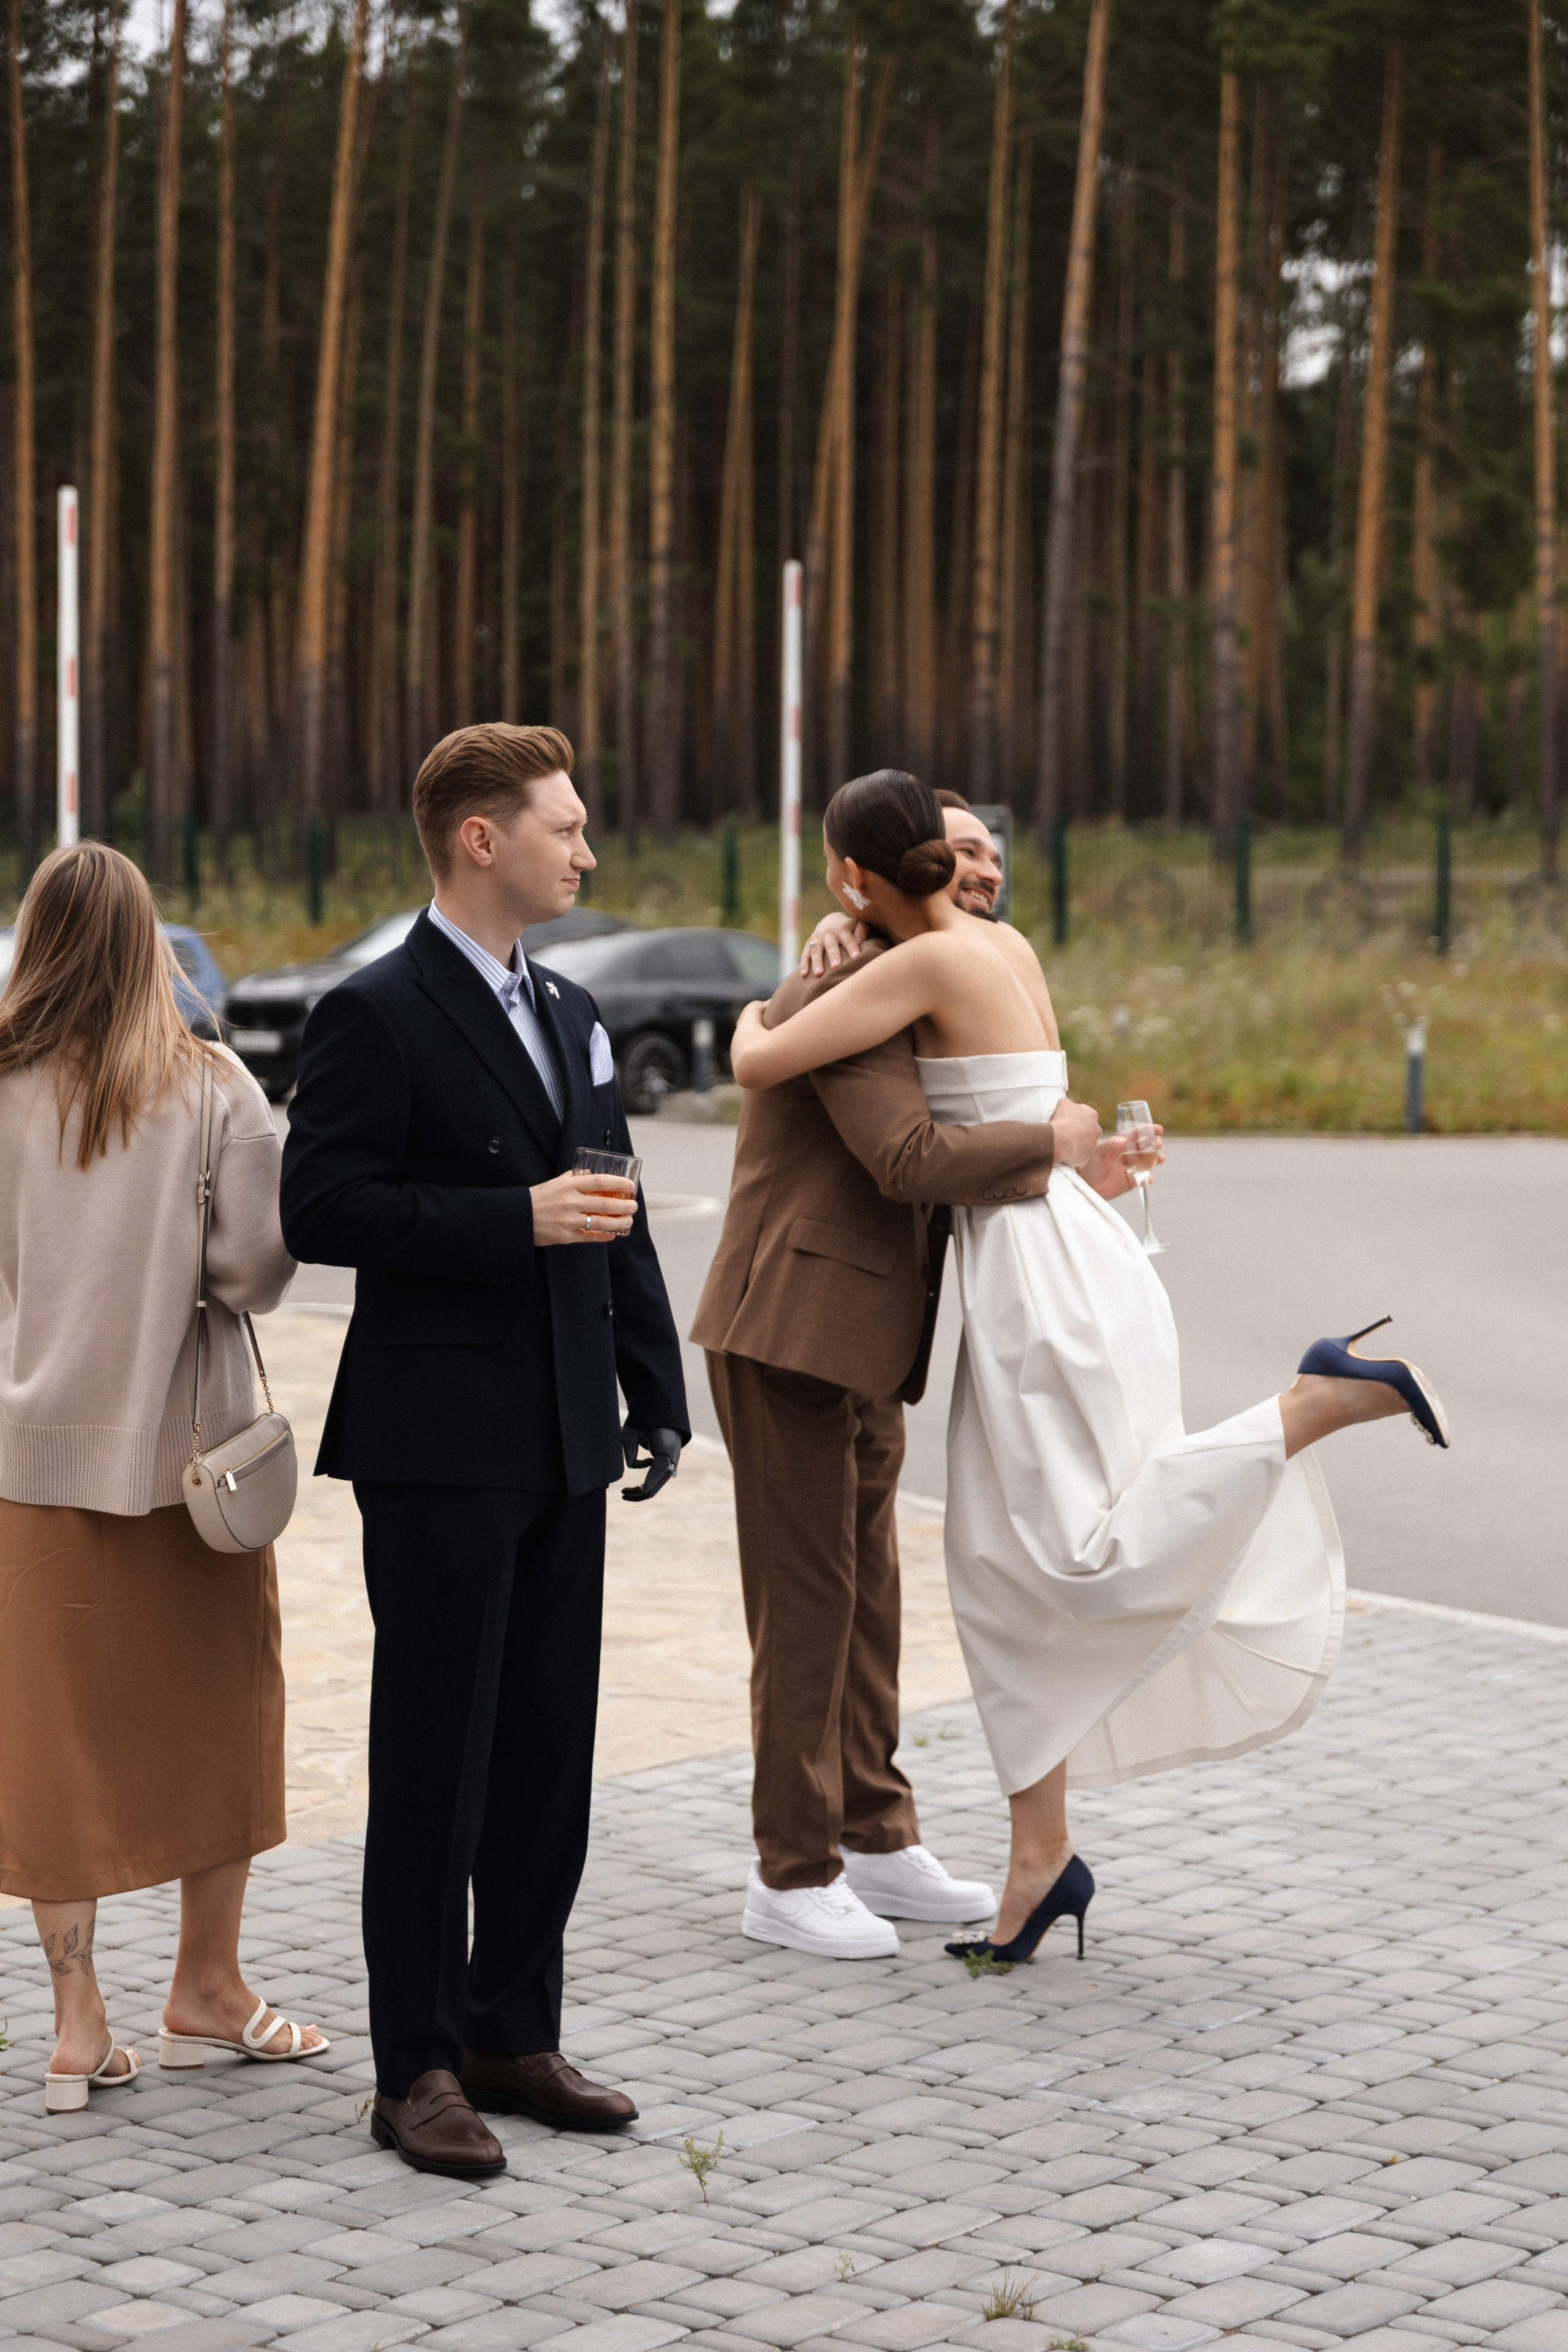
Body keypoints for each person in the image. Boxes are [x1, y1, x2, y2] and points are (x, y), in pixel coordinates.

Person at [730, 772, 1448, 1968]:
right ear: (931, 859)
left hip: (1034, 1285)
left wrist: (781, 995)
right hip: (1077, 1256)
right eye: (961, 849)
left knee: (1064, 1550)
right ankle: (1035, 1856)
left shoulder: (906, 966)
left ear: (852, 874)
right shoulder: (999, 949)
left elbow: (765, 1067)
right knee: (1003, 1565)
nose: (979, 868)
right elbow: (1021, 1113)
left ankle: (1309, 1402)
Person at [281, 723, 688, 2180]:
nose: (584, 851)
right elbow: (321, 1211)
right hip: (437, 1440)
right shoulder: (373, 1014)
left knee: (544, 1757)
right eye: (564, 828)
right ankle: (418, 2069)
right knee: (436, 1760)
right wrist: (502, 1221)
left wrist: (653, 1379)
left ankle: (516, 2030)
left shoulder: (574, 1007)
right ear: (479, 838)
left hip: (568, 1428)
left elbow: (611, 1191)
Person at [692, 813, 1133, 1959]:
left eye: (991, 850)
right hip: (788, 1326)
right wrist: (1052, 1142)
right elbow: (907, 1162)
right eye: (955, 849)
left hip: (872, 1340)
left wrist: (1078, 1170)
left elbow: (972, 1148)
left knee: (869, 1598)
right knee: (807, 1605)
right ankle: (789, 1872)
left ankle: (878, 1838)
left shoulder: (928, 974)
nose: (977, 868)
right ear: (884, 873)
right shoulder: (845, 989)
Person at [0, 843, 325, 2113]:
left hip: (27, 1460)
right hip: (191, 1466)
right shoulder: (211, 1087)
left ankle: (79, 2024)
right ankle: (211, 1988)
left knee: (50, 1744)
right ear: (149, 945)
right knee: (222, 1719)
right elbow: (251, 1276)